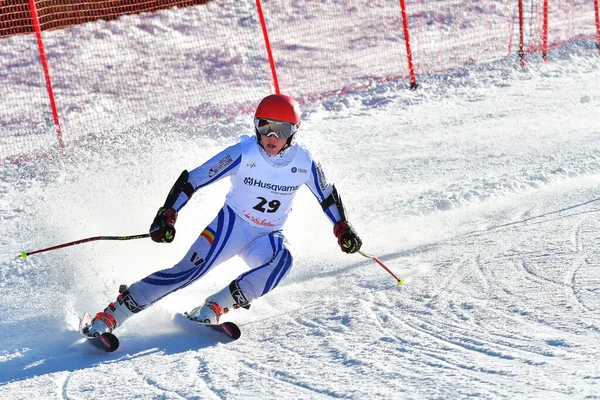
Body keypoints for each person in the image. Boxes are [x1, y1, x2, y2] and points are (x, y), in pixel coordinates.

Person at [82, 94, 362, 337]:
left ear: (294, 131)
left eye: (281, 129)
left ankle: (215, 306)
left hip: (266, 235)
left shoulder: (304, 162)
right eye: (264, 127)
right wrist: (167, 215)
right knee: (187, 273)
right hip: (230, 227)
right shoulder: (243, 152)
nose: (271, 137)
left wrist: (343, 229)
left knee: (283, 261)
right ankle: (111, 315)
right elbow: (193, 179)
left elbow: (327, 195)